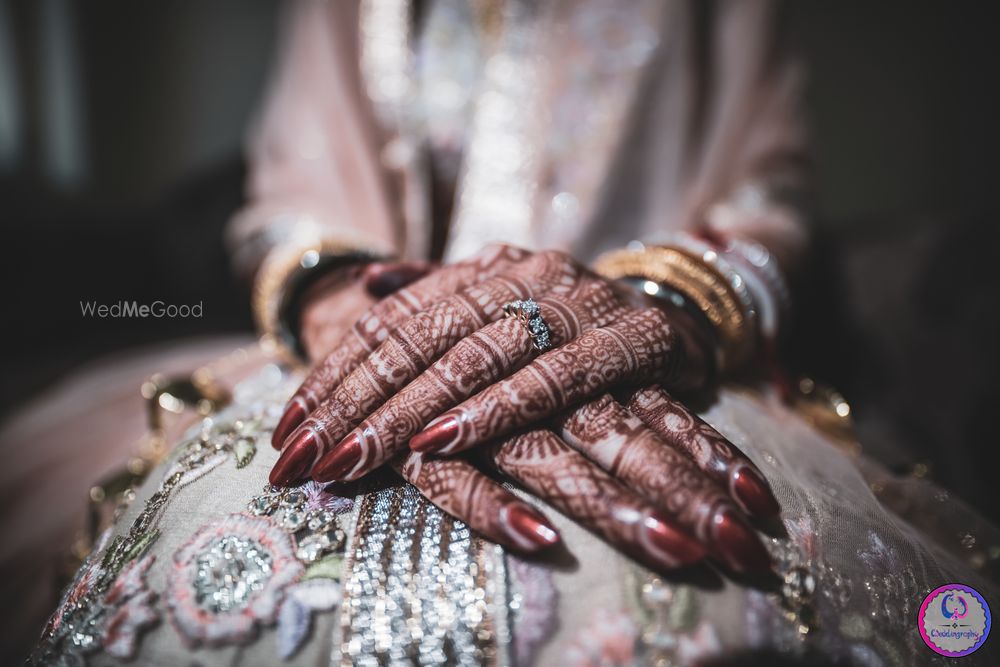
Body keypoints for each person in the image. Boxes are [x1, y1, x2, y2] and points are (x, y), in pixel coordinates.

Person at [28, 1, 998, 665]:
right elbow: (289, 197)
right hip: (372, 335)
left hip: (639, 338)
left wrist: (654, 306)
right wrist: (357, 312)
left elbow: (766, 197)